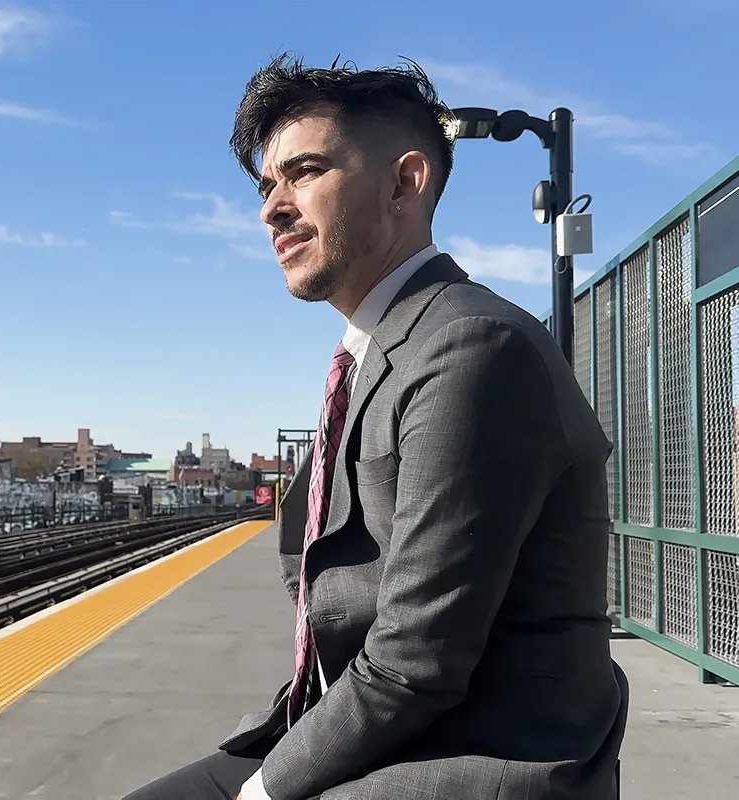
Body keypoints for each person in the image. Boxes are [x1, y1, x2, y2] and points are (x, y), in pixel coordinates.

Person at [123, 55, 628, 800]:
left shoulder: (471, 348)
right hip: (370, 724)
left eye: (303, 171)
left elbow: (415, 661)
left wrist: (266, 790)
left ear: (403, 182)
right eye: (267, 185)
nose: (271, 207)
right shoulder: (384, 350)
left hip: (473, 752)